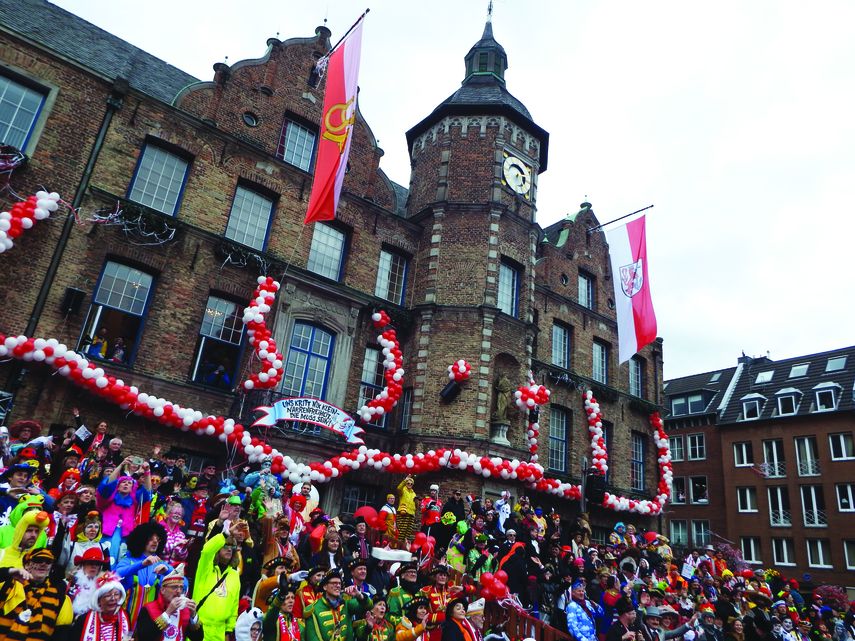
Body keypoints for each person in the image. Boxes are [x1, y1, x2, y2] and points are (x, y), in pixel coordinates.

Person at [0, 548, 74, 639]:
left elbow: (61, 634)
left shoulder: (60, 597)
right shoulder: (8, 586)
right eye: (38, 560)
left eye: (48, 561)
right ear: (26, 565)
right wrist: (8, 571)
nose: (43, 564)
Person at [192, 523, 242, 641]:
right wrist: (225, 534)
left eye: (232, 547)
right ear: (218, 548)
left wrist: (229, 630)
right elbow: (207, 551)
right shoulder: (206, 569)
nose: (229, 549)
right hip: (199, 629)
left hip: (220, 633)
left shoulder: (234, 575)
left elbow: (234, 605)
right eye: (225, 545)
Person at [136, 564, 204, 641]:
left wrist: (193, 616)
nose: (178, 591)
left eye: (181, 587)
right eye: (174, 587)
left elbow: (198, 638)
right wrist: (167, 613)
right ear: (162, 590)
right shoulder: (149, 609)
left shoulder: (184, 610)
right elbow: (144, 637)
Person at [303, 568, 372, 641]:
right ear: (325, 587)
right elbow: (312, 638)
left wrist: (359, 595)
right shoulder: (313, 609)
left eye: (339, 583)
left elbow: (368, 605)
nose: (338, 585)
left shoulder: (346, 604)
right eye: (334, 583)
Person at [69, 571, 132, 640]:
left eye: (116, 594)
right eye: (107, 595)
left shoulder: (126, 616)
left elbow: (127, 637)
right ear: (98, 600)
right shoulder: (83, 620)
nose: (113, 598)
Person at [263, 575, 303, 641]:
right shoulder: (271, 620)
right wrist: (281, 595)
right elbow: (272, 611)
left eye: (293, 598)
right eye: (287, 598)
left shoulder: (299, 624)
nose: (291, 601)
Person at [396, 476, 417, 541]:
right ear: (406, 483)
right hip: (403, 512)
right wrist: (405, 480)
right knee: (401, 531)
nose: (409, 485)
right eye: (408, 483)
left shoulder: (414, 493)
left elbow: (415, 504)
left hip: (411, 514)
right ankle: (397, 545)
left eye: (411, 484)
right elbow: (398, 488)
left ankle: (403, 546)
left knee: (407, 532)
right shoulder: (403, 490)